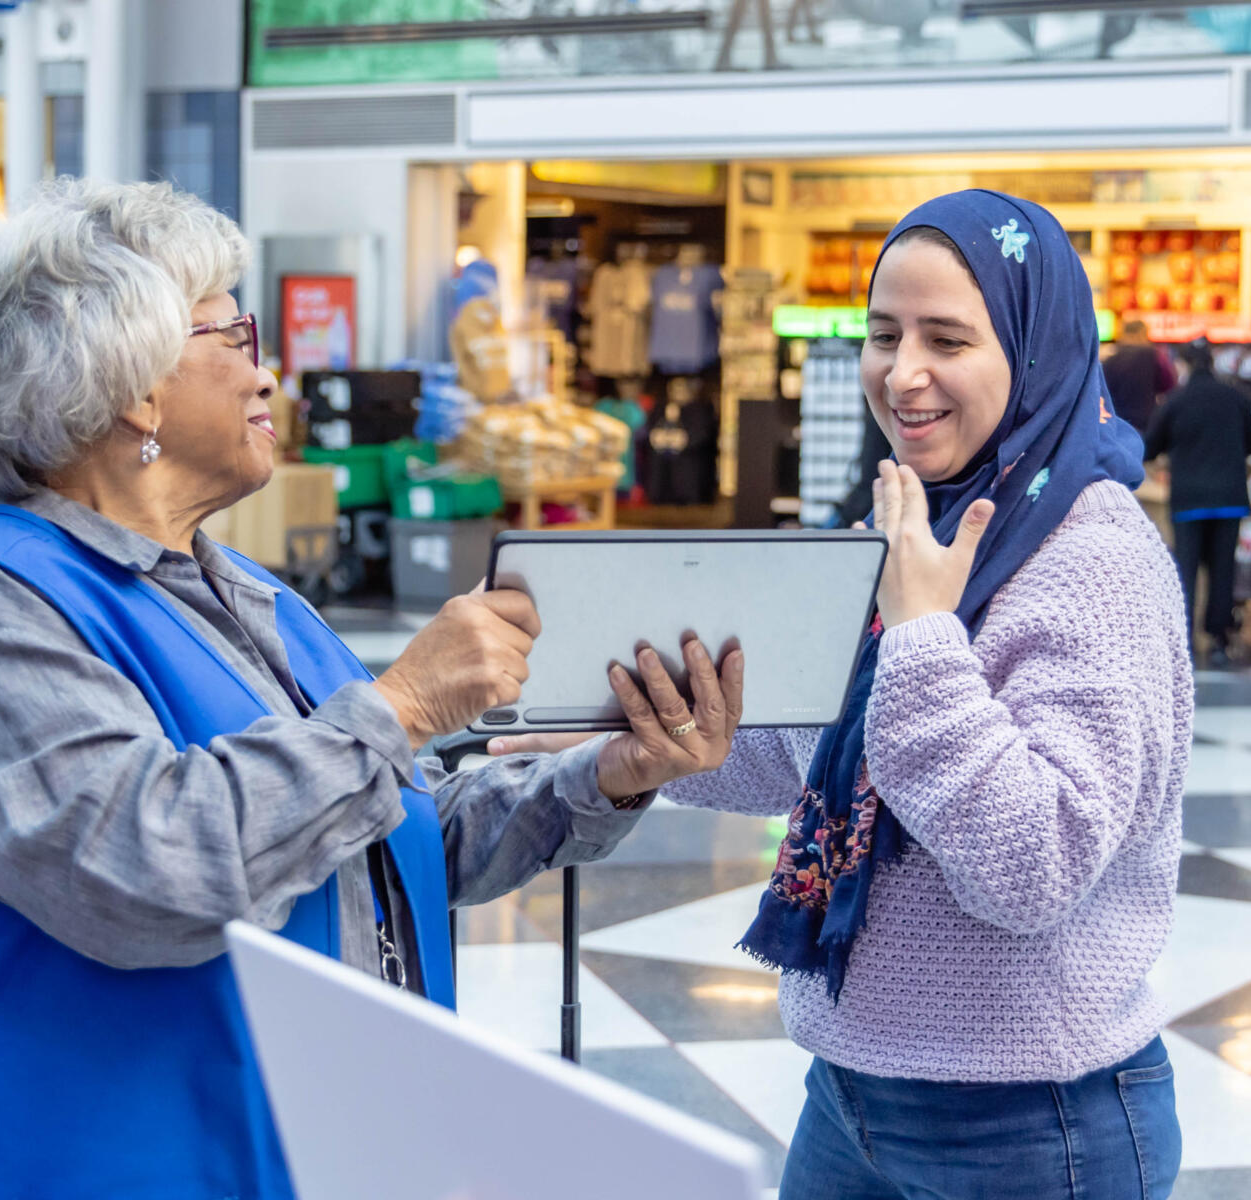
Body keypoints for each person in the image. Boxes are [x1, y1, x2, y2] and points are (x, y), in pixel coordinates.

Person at [0, 179, 746, 1200]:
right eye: (232, 335)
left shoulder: (237, 590)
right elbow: (152, 869)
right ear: (131, 387)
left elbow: (380, 835)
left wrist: (605, 774)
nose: (268, 372)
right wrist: (404, 705)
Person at [510, 192, 1191, 1197]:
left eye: (947, 339)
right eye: (883, 335)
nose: (902, 373)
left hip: (1035, 1126)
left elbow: (1032, 865)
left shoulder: (1093, 559)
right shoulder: (914, 517)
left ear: (1034, 352)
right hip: (850, 1095)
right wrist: (620, 731)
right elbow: (814, 752)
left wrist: (919, 633)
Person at [1142, 338, 1251, 666]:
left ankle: (1183, 639)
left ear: (1183, 364)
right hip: (1229, 498)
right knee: (1223, 569)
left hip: (1189, 500)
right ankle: (1218, 638)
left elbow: (1150, 447)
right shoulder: (1235, 397)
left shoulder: (1175, 400)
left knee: (1185, 570)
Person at [1103, 317, 1176, 434]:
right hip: (1145, 422)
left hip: (1117, 423)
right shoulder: (1152, 355)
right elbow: (1169, 384)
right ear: (1141, 333)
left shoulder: (1109, 358)